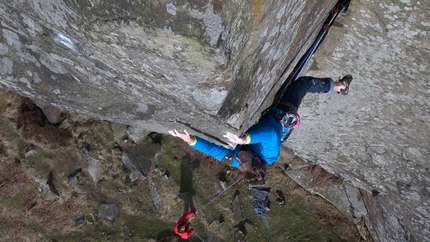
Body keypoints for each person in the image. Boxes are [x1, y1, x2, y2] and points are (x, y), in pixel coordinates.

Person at [169, 75, 352, 176]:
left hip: (268, 115)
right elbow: (271, 135)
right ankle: (338, 86)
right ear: (255, 159)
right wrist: (245, 139)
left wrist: (191, 140)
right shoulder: (269, 155)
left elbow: (214, 151)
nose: (237, 159)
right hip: (281, 115)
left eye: (238, 163)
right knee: (302, 84)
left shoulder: (239, 160)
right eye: (243, 161)